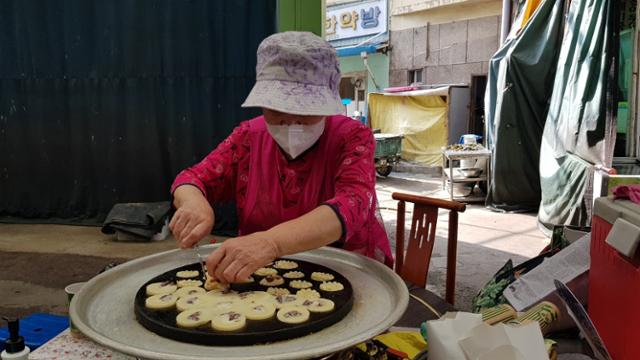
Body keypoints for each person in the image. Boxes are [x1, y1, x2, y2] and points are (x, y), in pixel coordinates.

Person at [169, 31, 393, 284]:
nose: (291, 121)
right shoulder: (248, 138)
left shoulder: (352, 138)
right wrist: (193, 202)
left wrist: (270, 242)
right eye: (277, 111)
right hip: (260, 276)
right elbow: (192, 178)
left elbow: (354, 202)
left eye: (305, 110)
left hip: (342, 271)